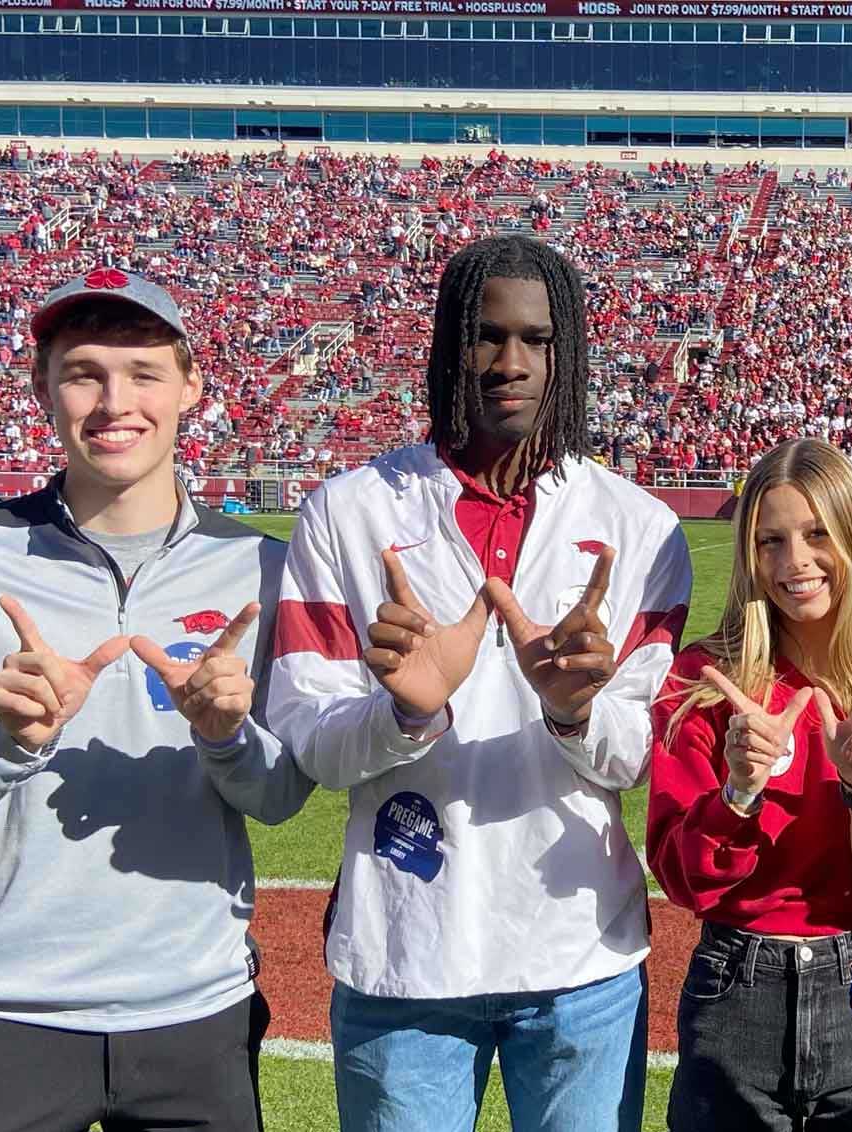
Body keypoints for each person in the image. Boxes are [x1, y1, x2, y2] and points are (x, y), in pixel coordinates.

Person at [266, 235, 693, 1132]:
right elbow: (312, 740)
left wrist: (574, 713)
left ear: (567, 350)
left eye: (537, 340)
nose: (511, 363)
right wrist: (405, 713)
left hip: (581, 956)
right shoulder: (347, 512)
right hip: (407, 957)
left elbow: (639, 759)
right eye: (486, 336)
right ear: (446, 346)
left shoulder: (641, 529)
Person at [0, 270, 312, 1131]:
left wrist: (226, 736)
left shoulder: (264, 570)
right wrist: (7, 744)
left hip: (196, 1008)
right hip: (2, 1007)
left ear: (192, 386)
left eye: (144, 371)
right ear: (41, 388)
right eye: (83, 371)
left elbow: (279, 799)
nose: (113, 400)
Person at [648, 437, 852, 1129]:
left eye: (816, 535)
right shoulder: (700, 682)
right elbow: (687, 883)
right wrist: (738, 789)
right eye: (769, 541)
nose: (794, 563)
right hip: (734, 994)